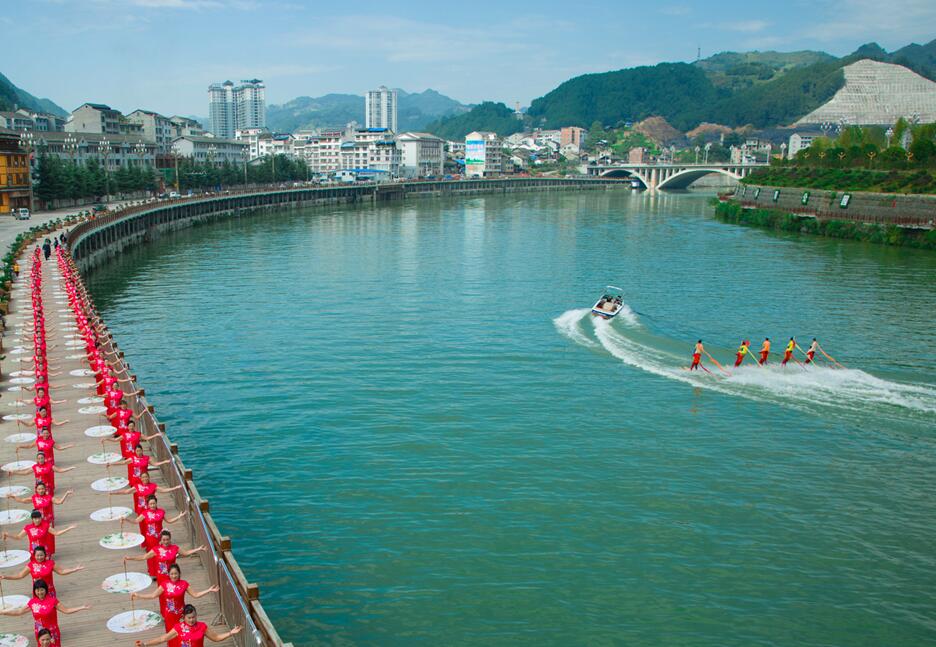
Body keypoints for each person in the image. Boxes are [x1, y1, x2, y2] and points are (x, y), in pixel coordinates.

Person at [0, 578, 91, 646]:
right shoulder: (32, 602)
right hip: (39, 631)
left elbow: (66, 610)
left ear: (46, 590)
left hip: (52, 632)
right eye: (37, 590)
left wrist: (82, 607)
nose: (40, 592)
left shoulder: (53, 601)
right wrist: (3, 612)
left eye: (42, 589)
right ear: (34, 590)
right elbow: (19, 612)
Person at [130, 563, 219, 632]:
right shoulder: (164, 584)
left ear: (179, 573)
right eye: (172, 574)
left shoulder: (184, 584)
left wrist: (209, 590)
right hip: (169, 615)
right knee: (170, 636)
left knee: (183, 635)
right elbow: (153, 595)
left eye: (176, 573)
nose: (174, 576)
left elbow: (195, 595)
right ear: (168, 574)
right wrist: (138, 595)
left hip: (181, 615)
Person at [134, 604, 241, 647]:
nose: (191, 620)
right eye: (189, 617)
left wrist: (231, 633)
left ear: (196, 616)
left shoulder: (202, 626)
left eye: (193, 617)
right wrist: (145, 644)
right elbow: (163, 638)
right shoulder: (178, 628)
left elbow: (216, 638)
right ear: (184, 617)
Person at [0, 544, 84, 597]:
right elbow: (19, 575)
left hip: (49, 591)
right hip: (38, 592)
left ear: (45, 555)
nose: (39, 557)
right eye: (37, 555)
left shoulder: (50, 563)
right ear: (34, 556)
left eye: (41, 555)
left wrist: (74, 569)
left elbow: (61, 571)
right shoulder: (31, 565)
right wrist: (5, 576)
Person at [123, 530, 207, 581]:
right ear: (161, 540)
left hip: (173, 576)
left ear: (170, 539)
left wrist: (198, 549)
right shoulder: (156, 550)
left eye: (167, 539)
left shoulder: (175, 548)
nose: (166, 541)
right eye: (164, 540)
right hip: (161, 577)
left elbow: (186, 553)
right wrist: (130, 558)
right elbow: (144, 557)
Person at [1, 510, 76, 557]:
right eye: (35, 518)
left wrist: (68, 528)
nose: (37, 520)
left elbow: (57, 533)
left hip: (44, 552)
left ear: (41, 518)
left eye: (38, 518)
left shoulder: (45, 526)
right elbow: (18, 537)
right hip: (33, 552)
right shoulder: (28, 527)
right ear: (32, 519)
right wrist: (8, 535)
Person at [6, 482, 74, 528]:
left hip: (48, 521)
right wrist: (13, 496)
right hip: (38, 521)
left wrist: (66, 493)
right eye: (39, 489)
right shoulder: (34, 498)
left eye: (42, 489)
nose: (41, 490)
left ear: (45, 489)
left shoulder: (49, 497)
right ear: (36, 490)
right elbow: (22, 500)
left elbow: (59, 502)